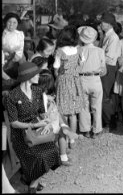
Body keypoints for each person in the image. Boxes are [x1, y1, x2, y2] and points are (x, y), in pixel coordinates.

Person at [5, 62, 61, 192]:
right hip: (20, 135)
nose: (38, 76)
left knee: (53, 151)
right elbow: (14, 123)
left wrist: (47, 123)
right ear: (28, 77)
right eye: (36, 74)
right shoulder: (12, 96)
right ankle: (32, 184)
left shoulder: (37, 90)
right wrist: (35, 125)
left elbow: (42, 112)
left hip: (37, 131)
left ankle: (32, 181)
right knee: (40, 156)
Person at [36, 69, 80, 166]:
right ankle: (63, 156)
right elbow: (44, 114)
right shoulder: (43, 97)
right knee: (62, 132)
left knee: (60, 120)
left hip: (46, 122)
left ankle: (63, 144)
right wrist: (51, 104)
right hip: (45, 124)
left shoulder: (39, 94)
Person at [53, 25, 85, 149]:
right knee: (73, 113)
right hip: (75, 81)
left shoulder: (60, 51)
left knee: (63, 112)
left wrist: (58, 76)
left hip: (63, 80)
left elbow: (56, 68)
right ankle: (72, 139)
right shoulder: (79, 50)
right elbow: (81, 63)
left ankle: (65, 139)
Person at [77, 26, 107, 139]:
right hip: (95, 79)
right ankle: (96, 130)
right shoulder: (100, 51)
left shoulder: (78, 50)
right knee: (97, 106)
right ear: (94, 38)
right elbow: (103, 70)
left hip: (82, 79)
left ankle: (85, 130)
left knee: (84, 106)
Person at [99, 12, 121, 131]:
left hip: (109, 67)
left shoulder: (113, 37)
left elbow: (109, 56)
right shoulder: (105, 35)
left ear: (109, 24)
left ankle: (110, 122)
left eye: (103, 22)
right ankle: (107, 121)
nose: (101, 24)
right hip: (104, 66)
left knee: (105, 96)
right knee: (105, 95)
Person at [2, 12, 25, 79]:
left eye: (14, 22)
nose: (11, 24)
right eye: (9, 21)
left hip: (16, 61)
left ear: (17, 23)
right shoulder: (3, 34)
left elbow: (20, 50)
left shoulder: (20, 34)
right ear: (5, 22)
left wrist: (13, 61)